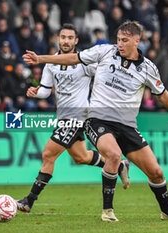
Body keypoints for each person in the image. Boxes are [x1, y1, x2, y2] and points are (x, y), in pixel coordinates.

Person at [23, 20, 168, 221]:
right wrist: (41, 59)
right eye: (118, 40)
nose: (120, 44)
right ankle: (107, 211)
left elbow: (161, 92)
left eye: (124, 40)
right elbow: (74, 58)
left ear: (137, 41)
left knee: (156, 172)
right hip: (97, 121)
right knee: (113, 154)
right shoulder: (104, 52)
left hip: (128, 127)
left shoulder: (148, 68)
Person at [17, 24, 130, 213]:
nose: (66, 41)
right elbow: (46, 91)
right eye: (63, 37)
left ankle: (29, 201)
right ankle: (119, 165)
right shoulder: (51, 63)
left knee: (48, 155)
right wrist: (35, 92)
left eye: (70, 38)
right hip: (63, 117)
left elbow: (105, 74)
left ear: (76, 41)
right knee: (81, 157)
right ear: (58, 39)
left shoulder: (84, 62)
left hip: (78, 115)